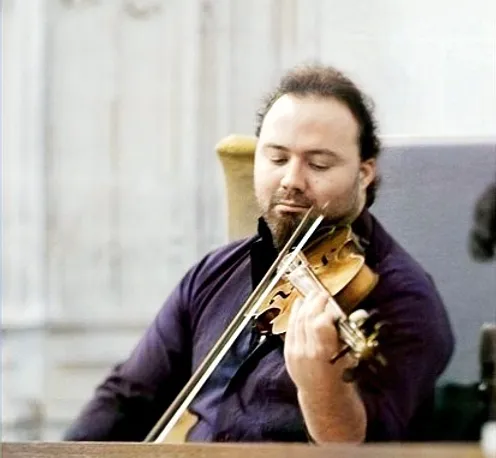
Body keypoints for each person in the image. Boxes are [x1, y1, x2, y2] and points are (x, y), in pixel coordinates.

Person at [63, 63, 455, 444]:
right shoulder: (214, 272)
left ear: (364, 173)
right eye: (277, 158)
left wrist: (321, 387)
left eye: (318, 163)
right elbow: (128, 396)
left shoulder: (404, 299)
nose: (291, 180)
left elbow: (368, 447)